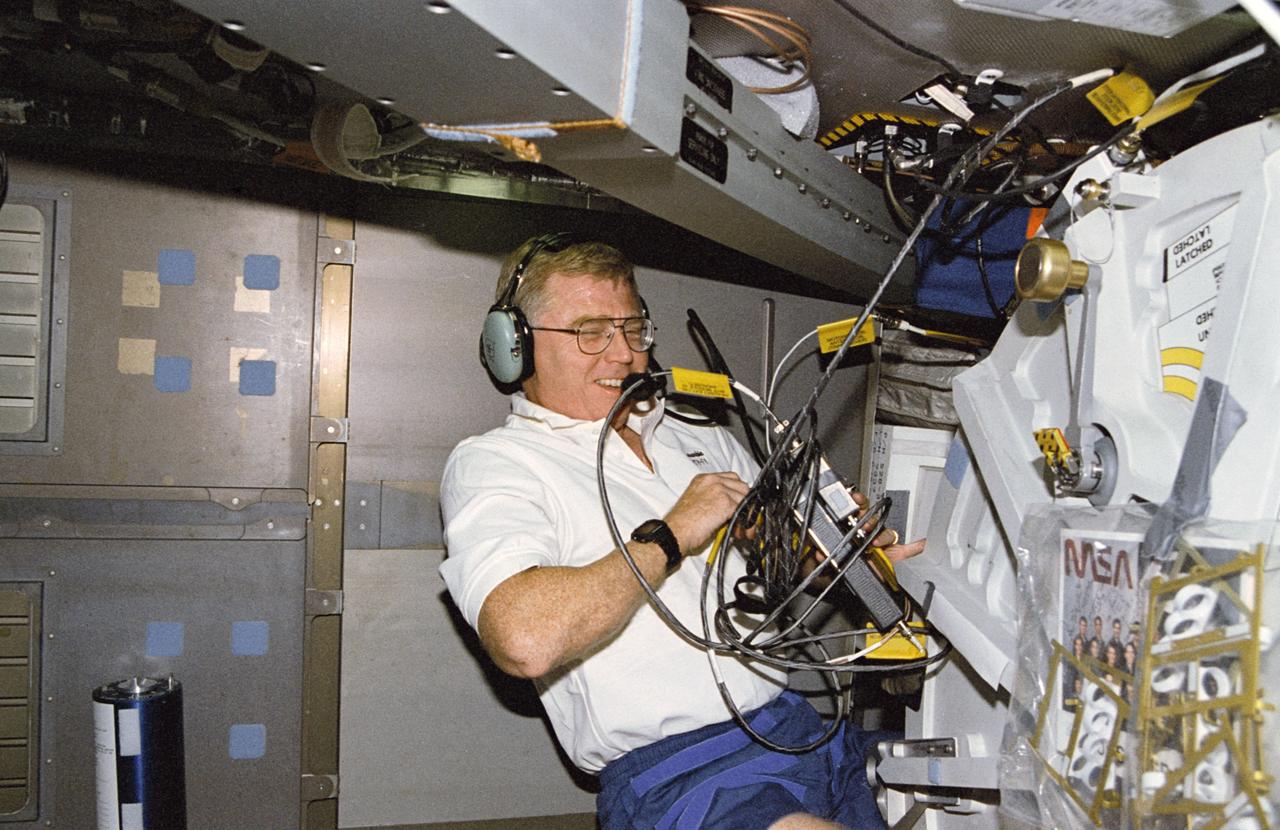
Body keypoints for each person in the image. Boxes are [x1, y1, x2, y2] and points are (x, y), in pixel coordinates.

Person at [440, 236, 924, 830]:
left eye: (633, 329)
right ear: (515, 347)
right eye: (591, 333)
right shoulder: (496, 464)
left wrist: (838, 547)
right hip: (679, 773)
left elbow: (788, 561)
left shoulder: (698, 436)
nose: (624, 355)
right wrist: (672, 534)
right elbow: (524, 639)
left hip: (801, 728)